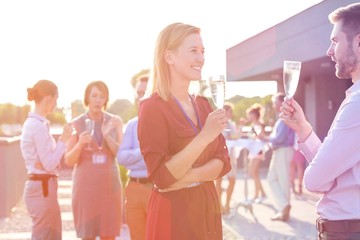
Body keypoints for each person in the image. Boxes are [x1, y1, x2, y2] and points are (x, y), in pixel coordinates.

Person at [137, 22, 231, 240]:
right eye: (193, 51)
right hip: (173, 215)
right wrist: (205, 136)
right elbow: (161, 177)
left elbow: (223, 161)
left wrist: (185, 178)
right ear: (169, 56)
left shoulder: (203, 104)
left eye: (202, 51)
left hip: (207, 208)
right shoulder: (152, 107)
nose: (201, 58)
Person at [280, 3, 360, 239]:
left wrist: (326, 178)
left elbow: (315, 181)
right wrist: (303, 129)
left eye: (335, 41)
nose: (328, 50)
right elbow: (329, 171)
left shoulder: (357, 105)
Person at [64, 80, 123, 240]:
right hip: (86, 187)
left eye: (102, 96)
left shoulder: (115, 121)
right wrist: (80, 145)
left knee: (108, 234)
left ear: (106, 100)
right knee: (87, 234)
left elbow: (121, 154)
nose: (98, 100)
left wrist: (107, 137)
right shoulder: (76, 123)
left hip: (109, 186)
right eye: (94, 95)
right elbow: (69, 160)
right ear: (87, 98)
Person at [20, 79, 73, 240]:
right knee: (45, 236)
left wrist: (46, 162)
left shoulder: (35, 124)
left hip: (43, 187)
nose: (56, 104)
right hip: (42, 189)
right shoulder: (37, 126)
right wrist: (63, 139)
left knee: (51, 235)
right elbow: (49, 163)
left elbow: (46, 162)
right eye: (56, 100)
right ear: (49, 98)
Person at [117, 74, 151, 240]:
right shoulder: (131, 124)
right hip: (133, 188)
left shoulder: (165, 124)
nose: (141, 97)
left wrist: (134, 155)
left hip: (156, 188)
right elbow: (121, 158)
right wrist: (144, 151)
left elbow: (162, 160)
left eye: (145, 92)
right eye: (139, 93)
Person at [261, 92, 295, 221]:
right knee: (272, 178)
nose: (274, 105)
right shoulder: (282, 117)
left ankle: (284, 210)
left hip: (283, 150)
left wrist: (265, 137)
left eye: (275, 102)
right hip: (280, 151)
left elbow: (279, 138)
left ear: (282, 102)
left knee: (282, 180)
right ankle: (284, 206)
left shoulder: (285, 117)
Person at [215, 102, 239, 214]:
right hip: (219, 156)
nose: (232, 113)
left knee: (232, 180)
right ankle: (219, 205)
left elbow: (235, 137)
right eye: (230, 111)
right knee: (218, 181)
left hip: (231, 156)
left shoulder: (232, 124)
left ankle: (227, 204)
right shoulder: (218, 123)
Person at [246, 103, 267, 203]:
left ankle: (262, 194)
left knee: (252, 172)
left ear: (254, 115)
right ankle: (258, 195)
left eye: (249, 114)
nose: (248, 116)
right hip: (255, 150)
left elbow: (261, 136)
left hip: (258, 150)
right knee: (255, 173)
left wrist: (254, 136)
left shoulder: (258, 124)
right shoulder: (254, 124)